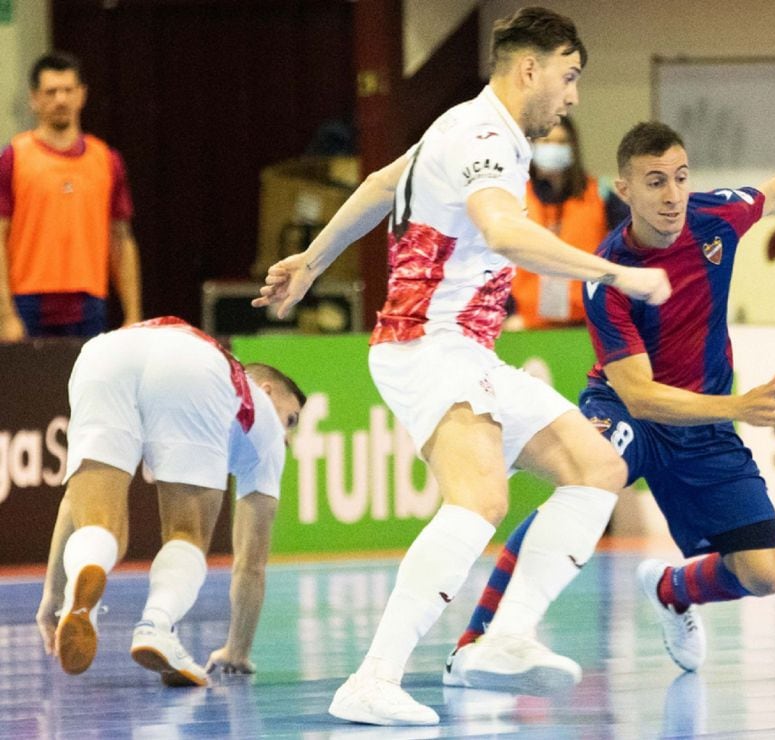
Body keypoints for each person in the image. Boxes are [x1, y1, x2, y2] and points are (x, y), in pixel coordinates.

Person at [252, 6, 670, 727]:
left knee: (597, 468)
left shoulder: (460, 125)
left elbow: (383, 184)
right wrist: (616, 273)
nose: (572, 97)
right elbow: (505, 232)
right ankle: (372, 678)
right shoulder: (485, 137)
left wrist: (313, 262)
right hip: (428, 344)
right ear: (530, 69)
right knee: (478, 500)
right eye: (567, 78)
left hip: (464, 347)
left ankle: (502, 641)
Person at [447, 122, 775, 681]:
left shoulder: (715, 218)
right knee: (586, 483)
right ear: (625, 190)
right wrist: (736, 408)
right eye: (655, 182)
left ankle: (671, 589)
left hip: (702, 429)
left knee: (765, 573)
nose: (672, 194)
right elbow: (641, 395)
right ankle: (476, 640)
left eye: (680, 178)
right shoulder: (608, 275)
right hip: (629, 412)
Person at [34, 316, 305, 686]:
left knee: (96, 520)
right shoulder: (263, 423)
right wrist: (236, 652)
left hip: (106, 352)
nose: (287, 433)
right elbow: (251, 564)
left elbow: (71, 501)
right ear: (268, 390)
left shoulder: (156, 352)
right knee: (185, 533)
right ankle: (157, 626)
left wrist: (53, 593)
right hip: (193, 368)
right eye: (291, 418)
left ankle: (76, 599)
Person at [0, 51, 142, 341]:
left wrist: (133, 315)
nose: (61, 100)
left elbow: (121, 239)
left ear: (82, 95)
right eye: (51, 92)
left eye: (68, 90)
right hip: (27, 300)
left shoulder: (106, 160)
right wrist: (6, 314)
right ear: (34, 98)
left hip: (89, 301)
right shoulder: (14, 157)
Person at [505, 116, 628, 330]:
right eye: (546, 141)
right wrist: (506, 313)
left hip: (587, 322)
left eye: (562, 142)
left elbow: (631, 246)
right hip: (525, 325)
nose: (554, 147)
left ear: (573, 146)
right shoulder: (514, 195)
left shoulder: (599, 194)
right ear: (533, 145)